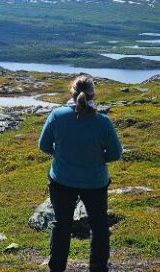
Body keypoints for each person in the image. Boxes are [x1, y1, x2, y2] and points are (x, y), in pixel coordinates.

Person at [38, 75, 123, 272]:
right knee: (99, 227)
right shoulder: (103, 121)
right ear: (93, 94)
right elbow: (115, 154)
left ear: (71, 92)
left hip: (61, 180)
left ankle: (56, 268)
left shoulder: (57, 116)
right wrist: (96, 159)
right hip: (95, 182)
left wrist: (60, 154)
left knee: (61, 226)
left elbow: (43, 145)